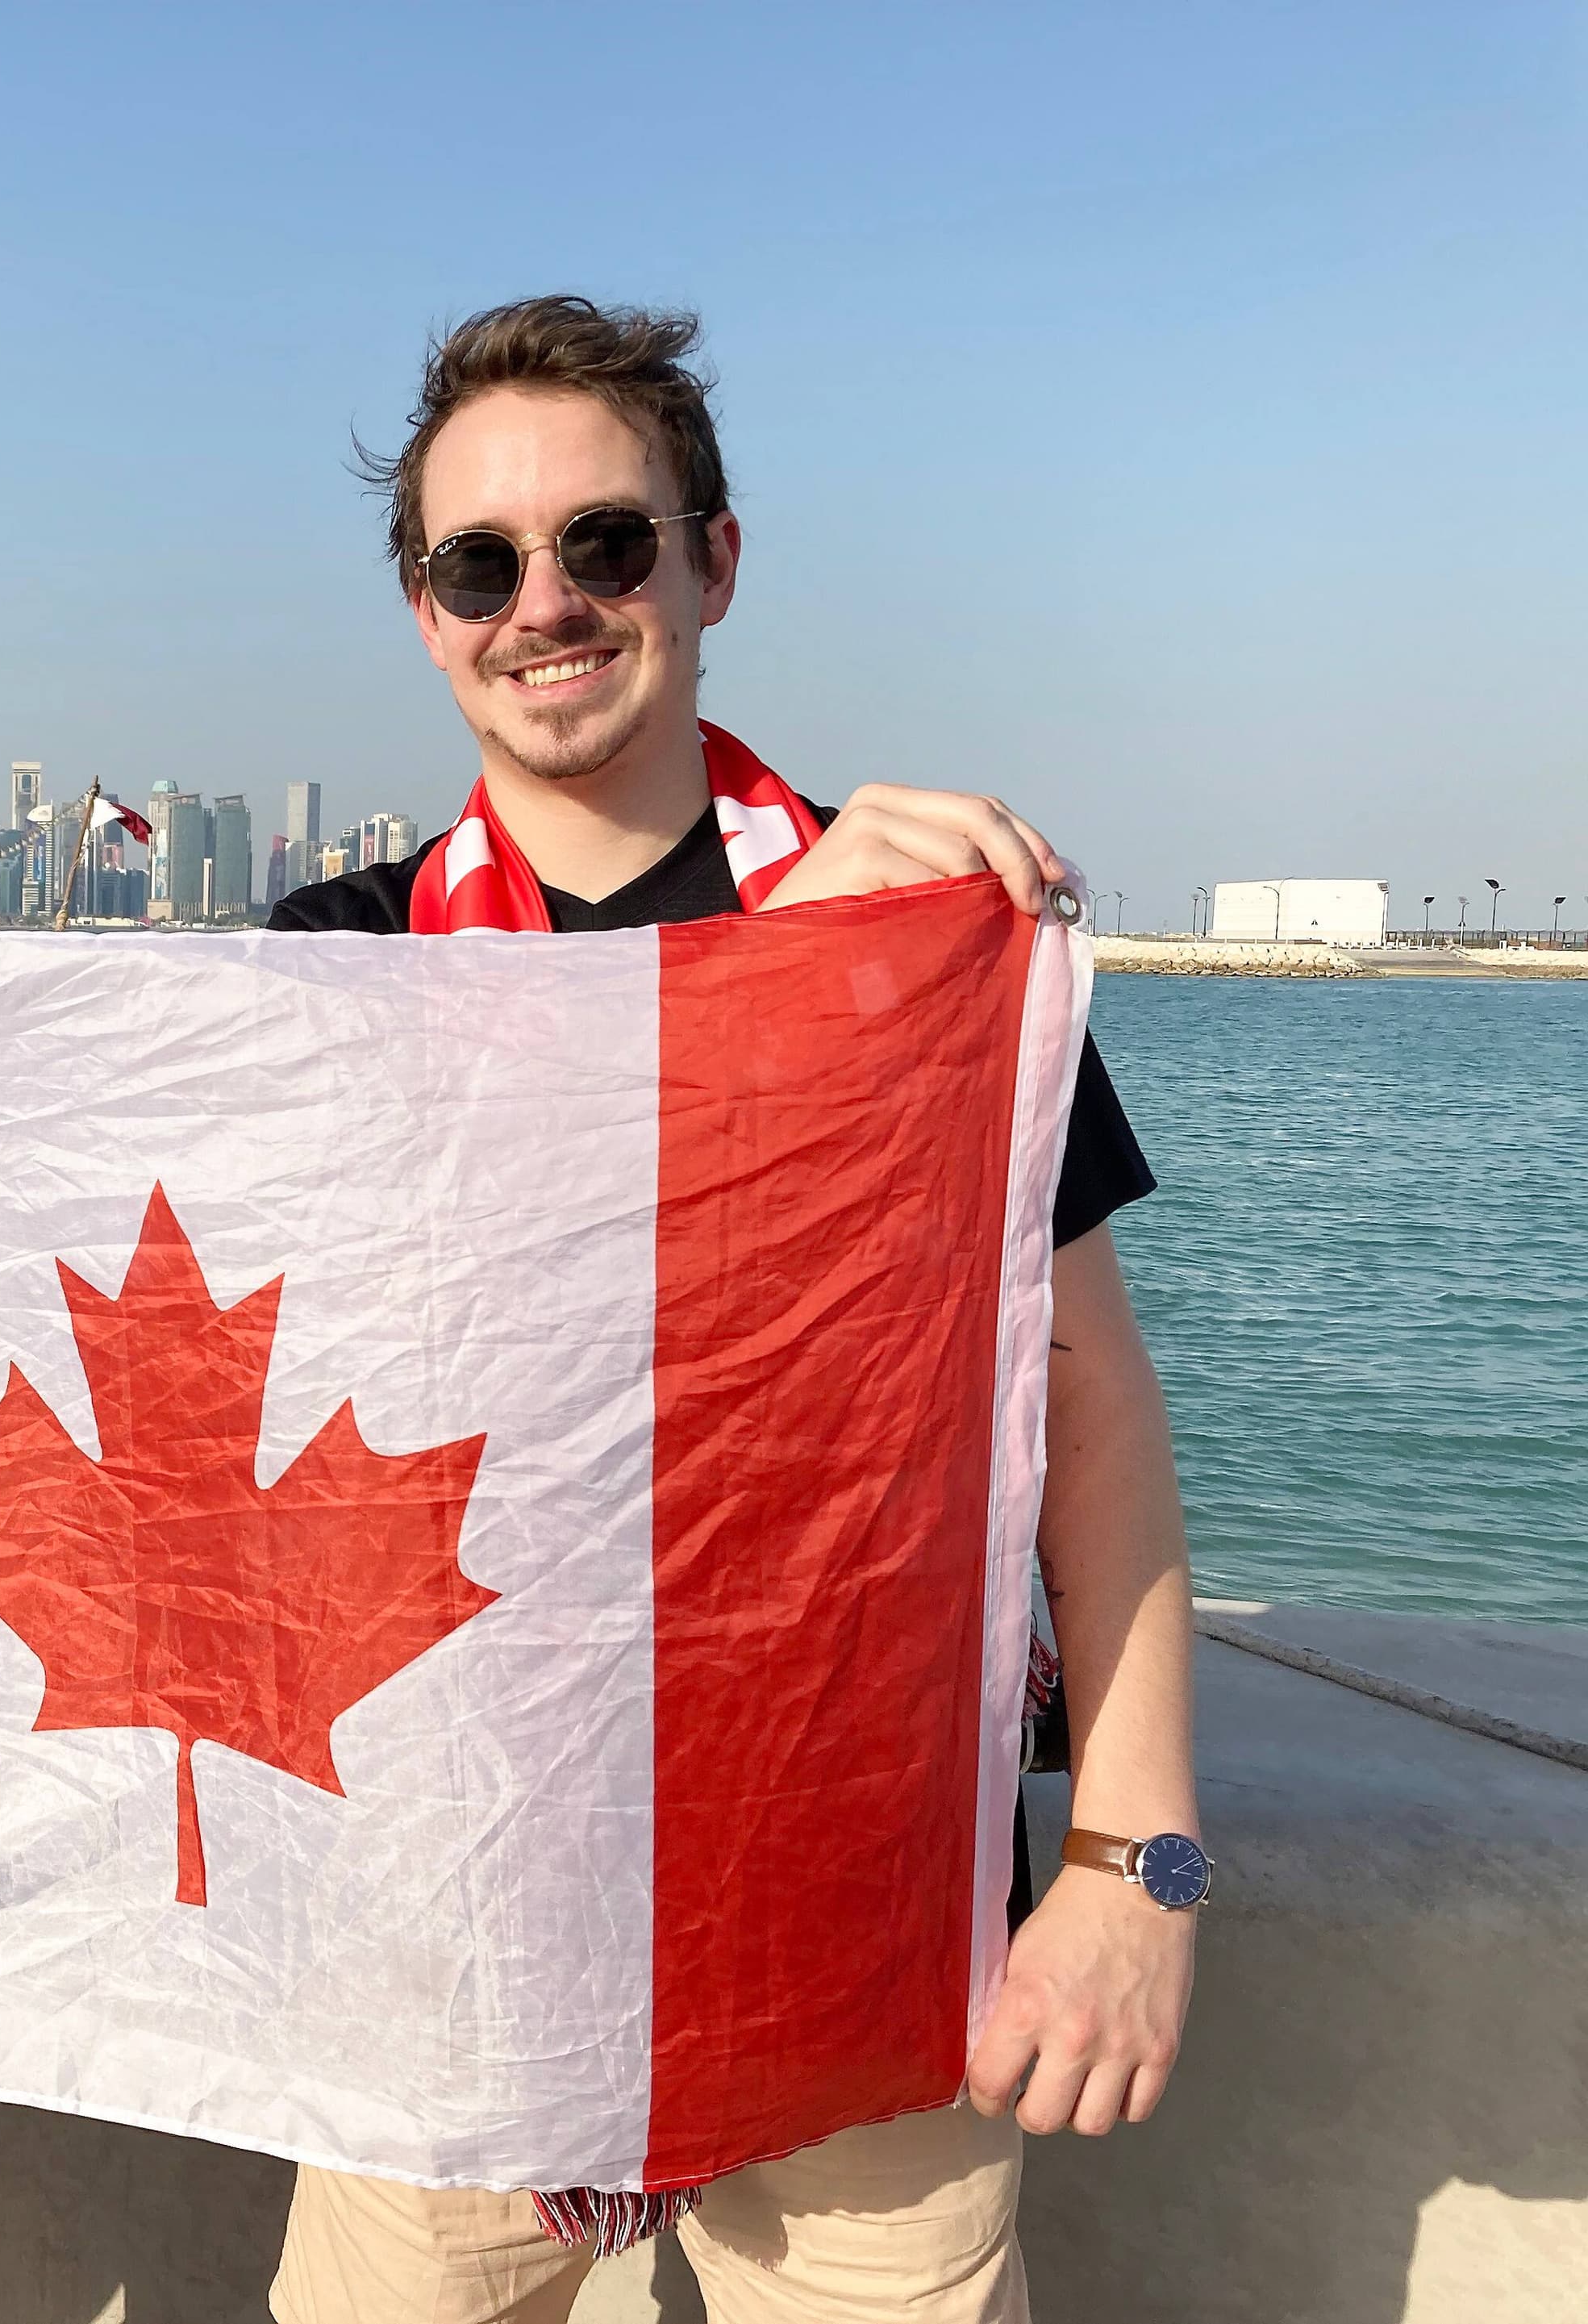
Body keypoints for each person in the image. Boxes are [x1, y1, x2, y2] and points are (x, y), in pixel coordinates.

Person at [265, 296, 1202, 2324]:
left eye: (606, 541)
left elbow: (1093, 1419)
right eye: (480, 563)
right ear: (424, 611)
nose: (547, 603)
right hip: (447, 1968)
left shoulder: (921, 947)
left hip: (863, 1958)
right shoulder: (321, 980)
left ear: (713, 557)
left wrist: (1138, 1864)